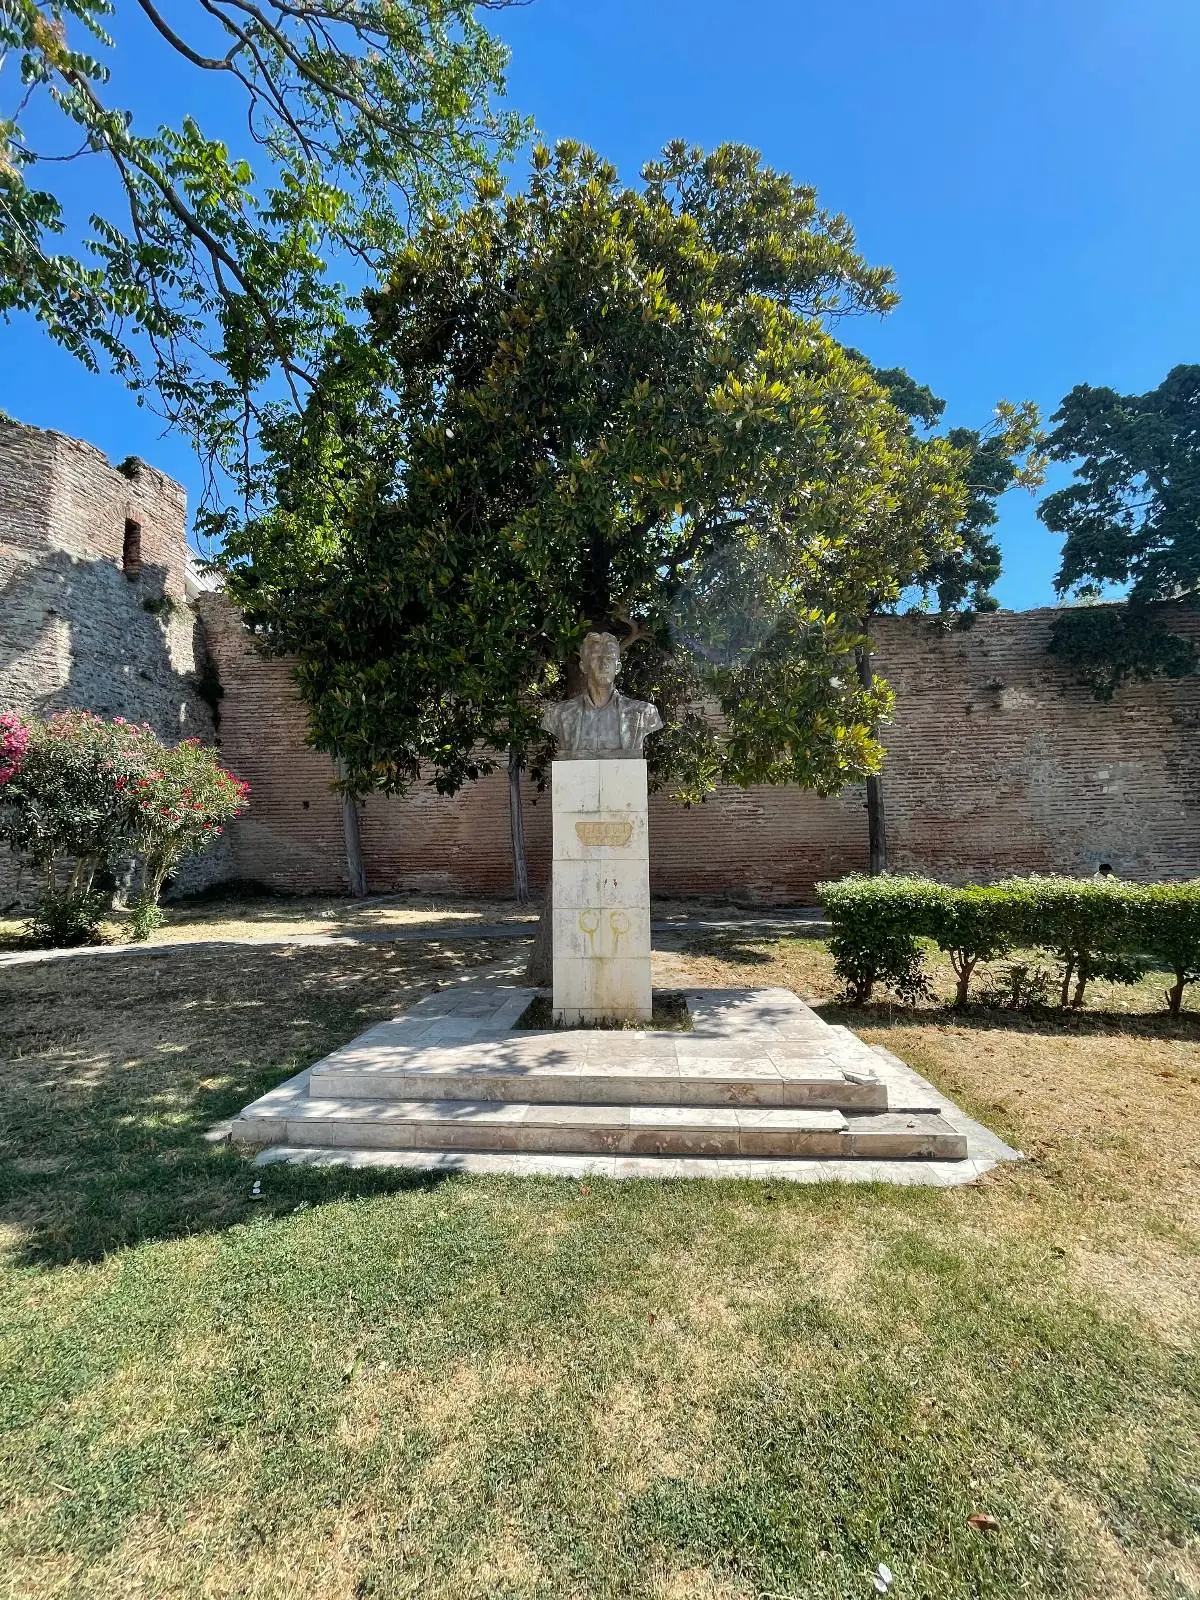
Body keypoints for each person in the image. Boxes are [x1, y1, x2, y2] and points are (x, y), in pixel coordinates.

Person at [540, 631, 663, 759]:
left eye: (610, 658)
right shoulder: (558, 714)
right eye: (596, 657)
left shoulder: (643, 713)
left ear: (618, 667)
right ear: (583, 666)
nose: (603, 664)